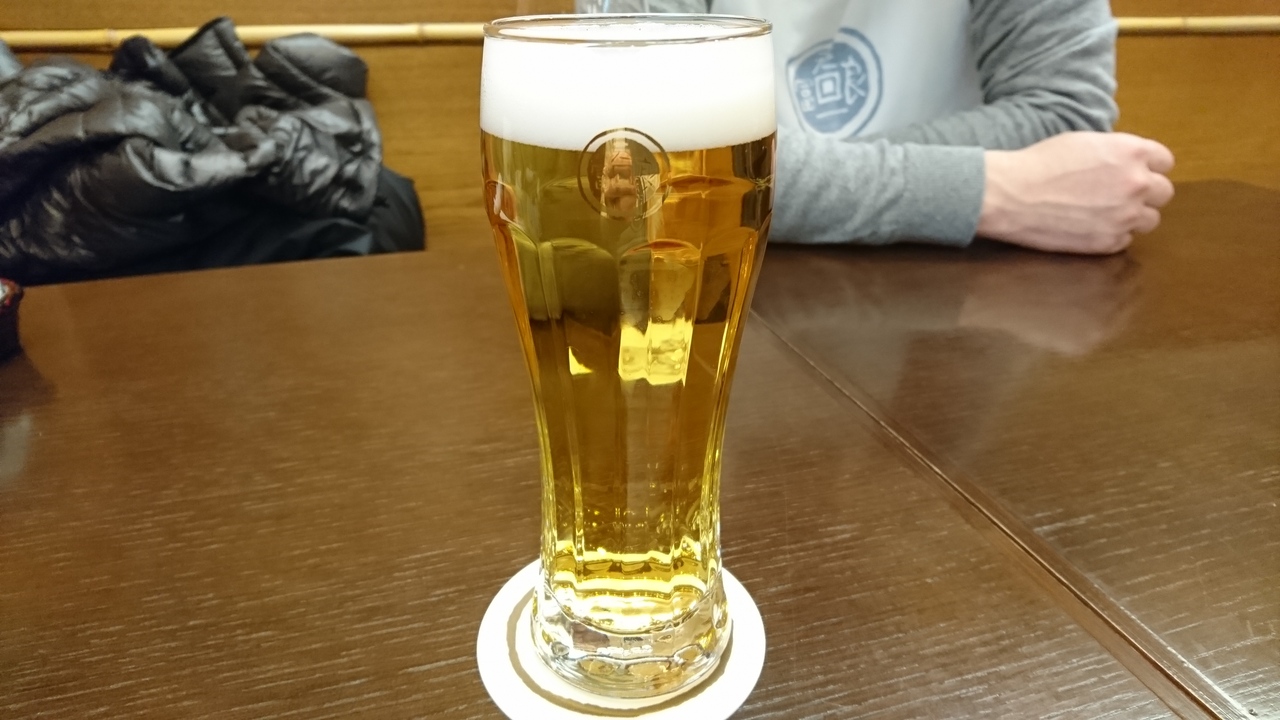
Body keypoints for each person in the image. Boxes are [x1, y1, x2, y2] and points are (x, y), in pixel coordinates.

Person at [578, 0, 1176, 255]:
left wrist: (802, 178)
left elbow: (1063, 118)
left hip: (957, 313)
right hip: (719, 299)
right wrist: (984, 189)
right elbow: (647, 161)